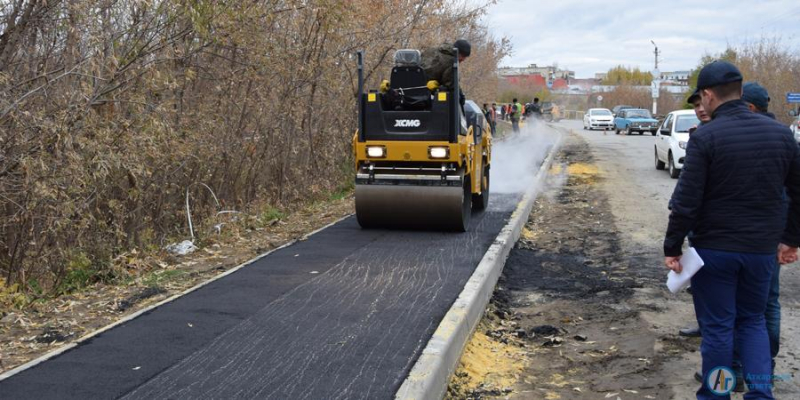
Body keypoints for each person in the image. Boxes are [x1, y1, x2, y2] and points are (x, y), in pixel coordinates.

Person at [663, 60, 800, 399]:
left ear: (708, 95)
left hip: (715, 251)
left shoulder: (706, 137)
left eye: (701, 98)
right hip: (760, 251)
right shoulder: (782, 134)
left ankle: (716, 393)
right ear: (739, 91)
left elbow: (687, 200)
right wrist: (791, 240)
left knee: (719, 328)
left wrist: (672, 246)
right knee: (752, 323)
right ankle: (760, 394)